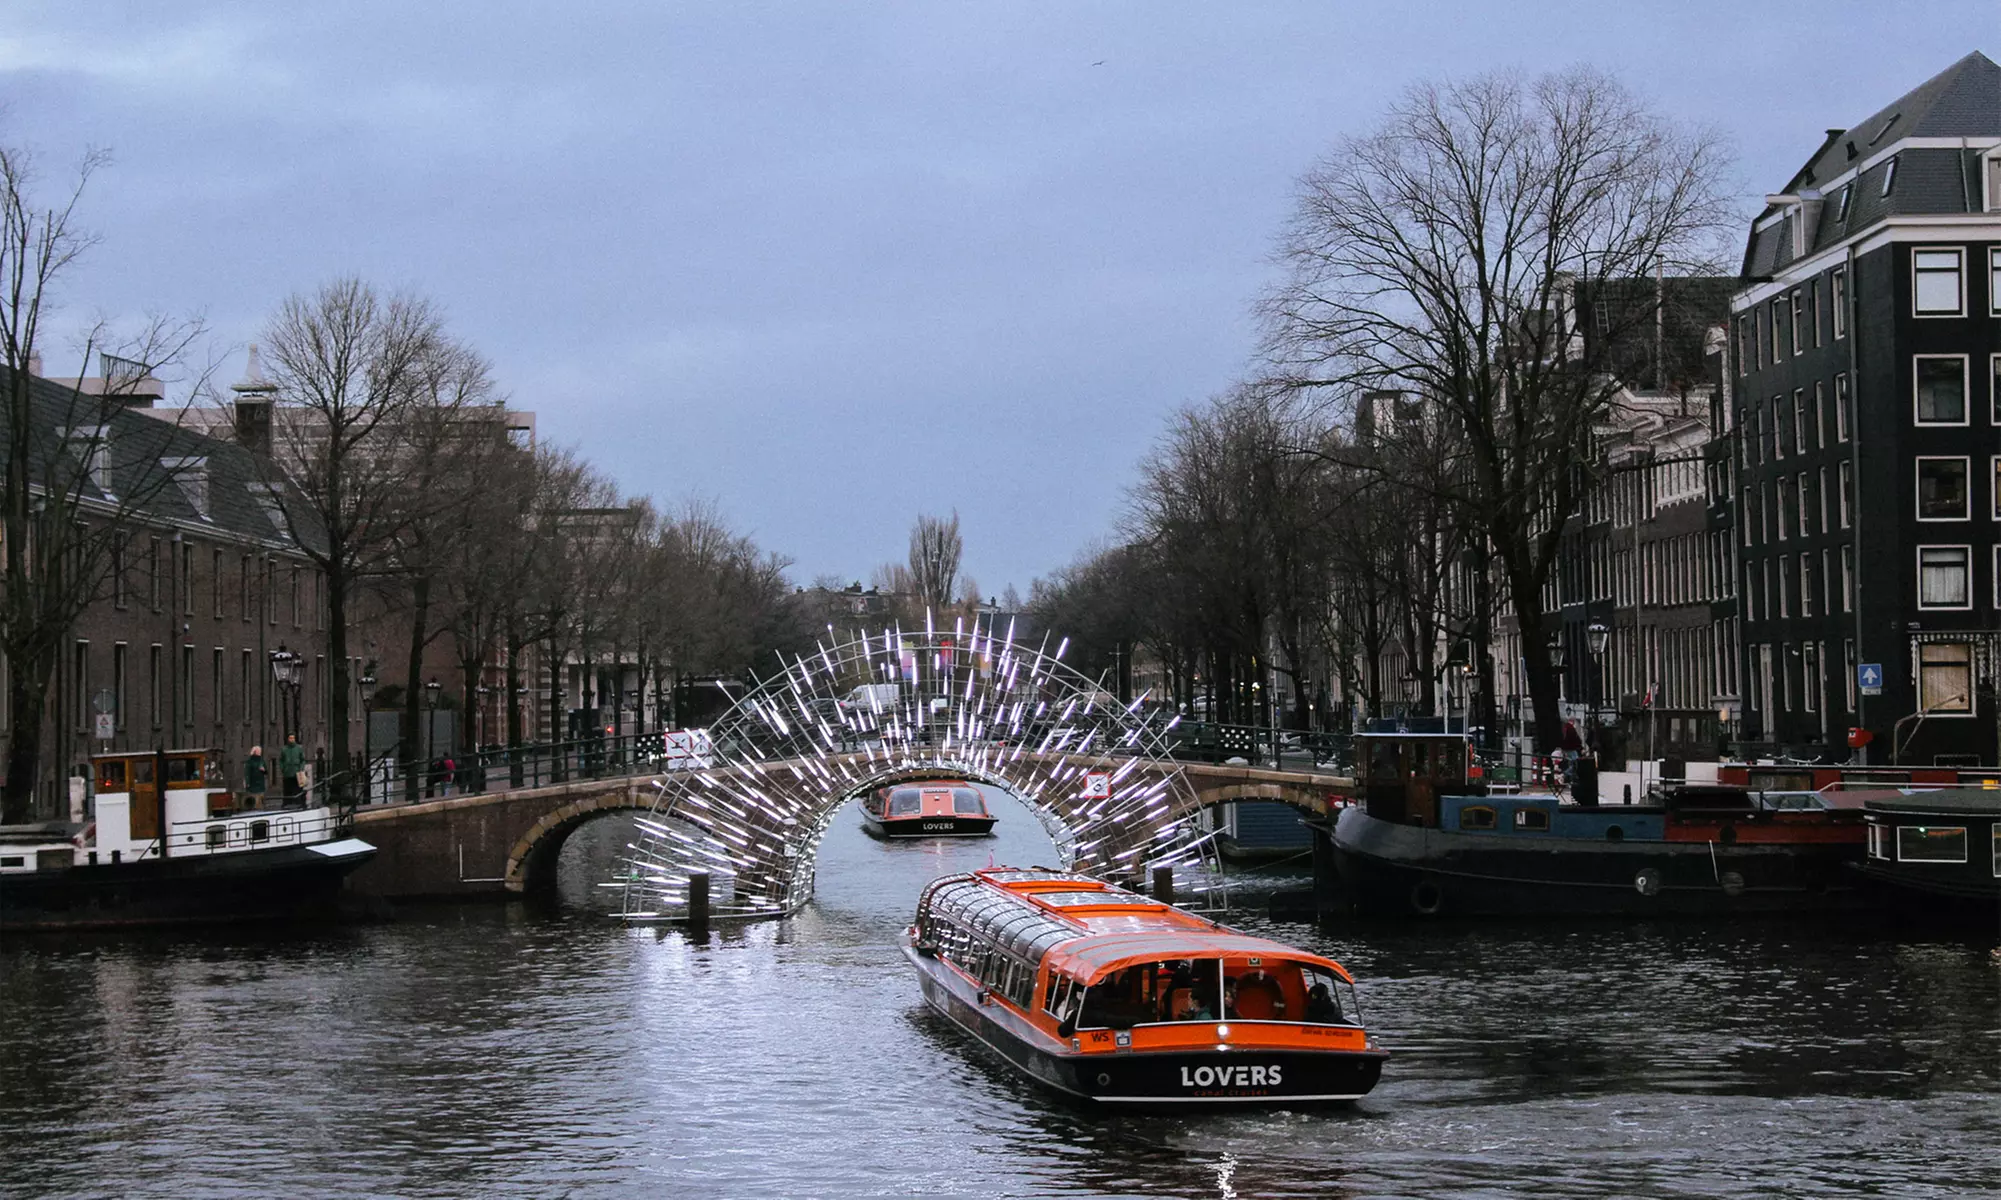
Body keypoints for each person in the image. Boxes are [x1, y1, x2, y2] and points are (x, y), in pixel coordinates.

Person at [278, 735, 306, 808]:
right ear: (288, 739)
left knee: (298, 789)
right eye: (290, 738)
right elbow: (281, 760)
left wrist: (301, 768)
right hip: (287, 772)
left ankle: (298, 803)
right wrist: (283, 768)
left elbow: (303, 760)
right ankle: (287, 803)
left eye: (293, 738)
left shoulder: (299, 748)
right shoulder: (284, 749)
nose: (292, 739)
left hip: (297, 772)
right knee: (287, 789)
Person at [242, 745, 267, 810]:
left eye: (260, 751)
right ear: (255, 752)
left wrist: (264, 770)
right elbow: (247, 773)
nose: (260, 752)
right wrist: (247, 783)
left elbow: (266, 772)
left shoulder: (262, 760)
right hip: (252, 784)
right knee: (253, 800)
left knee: (260, 800)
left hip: (261, 784)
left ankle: (260, 808)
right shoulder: (250, 761)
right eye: (259, 751)